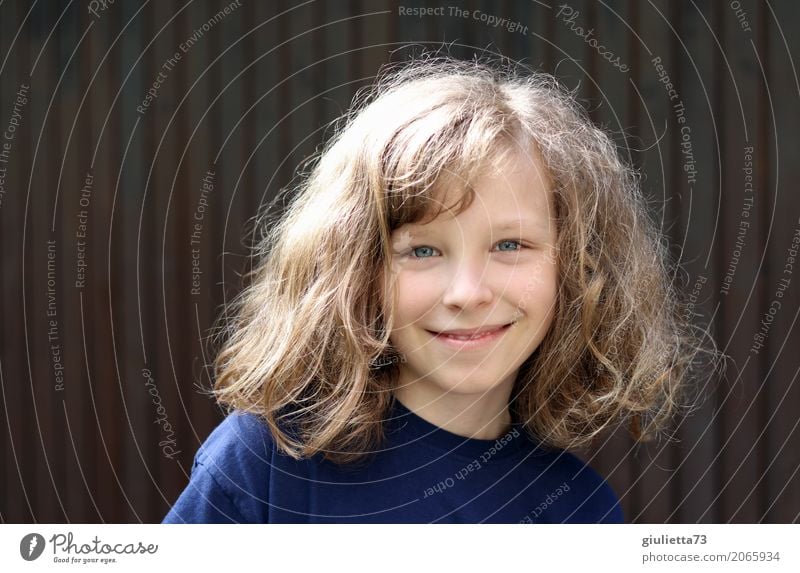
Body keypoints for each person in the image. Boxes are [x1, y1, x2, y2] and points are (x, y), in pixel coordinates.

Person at [163, 54, 705, 524]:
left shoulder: (580, 511)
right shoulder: (270, 463)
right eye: (422, 251)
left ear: (581, 266)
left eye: (510, 245)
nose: (467, 293)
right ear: (356, 270)